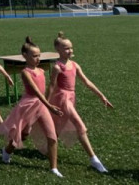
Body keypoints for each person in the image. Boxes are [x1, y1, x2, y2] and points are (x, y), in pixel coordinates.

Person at [0, 37, 64, 178]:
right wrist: (49, 106)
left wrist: (49, 103)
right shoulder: (25, 72)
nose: (38, 58)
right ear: (25, 56)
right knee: (23, 135)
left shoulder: (42, 71)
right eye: (34, 56)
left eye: (39, 55)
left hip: (42, 106)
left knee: (52, 137)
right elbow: (36, 92)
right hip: (29, 105)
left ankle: (53, 168)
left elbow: (47, 89)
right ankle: (7, 151)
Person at [48, 32, 113, 173]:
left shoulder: (75, 65)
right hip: (62, 98)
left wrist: (101, 96)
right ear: (57, 50)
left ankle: (47, 146)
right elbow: (52, 86)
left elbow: (86, 81)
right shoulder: (57, 67)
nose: (70, 50)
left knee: (57, 128)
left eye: (71, 48)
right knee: (80, 126)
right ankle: (94, 159)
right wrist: (46, 103)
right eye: (66, 48)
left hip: (71, 97)